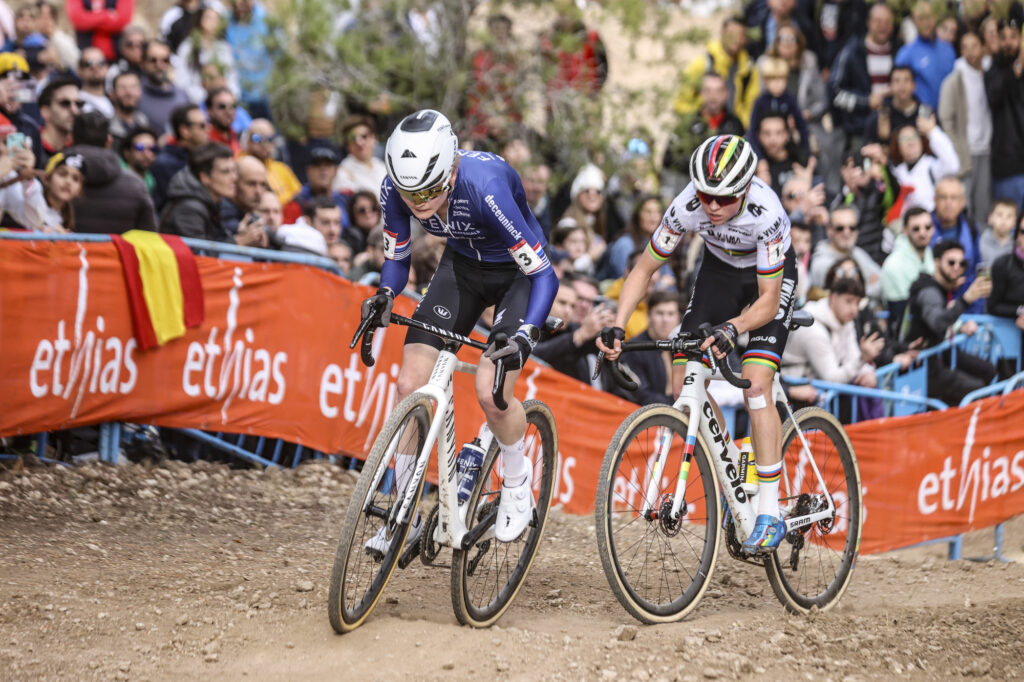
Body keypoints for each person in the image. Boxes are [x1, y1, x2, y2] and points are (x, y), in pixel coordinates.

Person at [358, 109, 558, 548]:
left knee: (491, 389)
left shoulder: (484, 189)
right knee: (409, 382)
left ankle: (516, 480)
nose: (419, 202)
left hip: (517, 277)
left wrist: (524, 338)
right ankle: (402, 508)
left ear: (451, 167)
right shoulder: (397, 185)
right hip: (462, 267)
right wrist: (386, 297)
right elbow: (397, 256)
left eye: (430, 190)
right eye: (411, 193)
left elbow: (544, 275)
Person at [598, 134, 796, 556]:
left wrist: (733, 328)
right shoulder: (688, 204)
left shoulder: (767, 213)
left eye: (723, 200)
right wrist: (617, 324)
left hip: (767, 283)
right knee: (681, 382)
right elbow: (645, 268)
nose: (711, 206)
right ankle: (731, 475)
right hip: (720, 273)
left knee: (756, 384)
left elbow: (767, 301)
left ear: (744, 190)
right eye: (705, 196)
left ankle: (769, 507)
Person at [902, 239, 996, 405]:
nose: (957, 267)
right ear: (936, 262)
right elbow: (937, 321)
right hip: (919, 366)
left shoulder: (944, 288)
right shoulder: (929, 291)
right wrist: (966, 299)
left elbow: (945, 317)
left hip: (938, 356)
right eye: (951, 262)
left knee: (988, 370)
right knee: (978, 389)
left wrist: (960, 326)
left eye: (962, 263)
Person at [782, 276, 880, 396]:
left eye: (858, 303)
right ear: (833, 298)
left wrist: (867, 371)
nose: (854, 309)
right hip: (797, 391)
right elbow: (831, 378)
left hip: (818, 389)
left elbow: (851, 357)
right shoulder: (813, 330)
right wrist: (862, 360)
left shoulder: (846, 321)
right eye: (849, 301)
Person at [68, 110, 156, 234]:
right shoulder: (136, 184)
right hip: (120, 253)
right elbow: (149, 235)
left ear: (70, 138)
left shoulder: (53, 176)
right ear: (109, 141)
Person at [829, 2, 896, 158]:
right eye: (878, 21)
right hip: (859, 131)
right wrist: (866, 102)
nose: (883, 26)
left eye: (887, 22)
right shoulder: (852, 52)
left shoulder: (898, 52)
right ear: (868, 23)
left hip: (891, 129)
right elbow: (834, 93)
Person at [938, 32, 992, 224]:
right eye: (965, 47)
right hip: (965, 152)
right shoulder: (953, 81)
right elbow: (946, 119)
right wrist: (957, 147)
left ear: (983, 47)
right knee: (964, 204)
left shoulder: (989, 73)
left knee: (984, 205)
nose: (970, 52)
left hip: (986, 149)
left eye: (974, 46)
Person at [661, 72, 745, 190]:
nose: (713, 96)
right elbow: (669, 160)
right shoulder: (687, 124)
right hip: (689, 188)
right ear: (701, 93)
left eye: (718, 91)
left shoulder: (735, 126)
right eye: (708, 91)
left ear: (727, 94)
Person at [674, 15, 759, 128]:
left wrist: (739, 126)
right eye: (731, 34)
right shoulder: (703, 64)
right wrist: (698, 122)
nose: (736, 39)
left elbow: (751, 107)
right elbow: (682, 102)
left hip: (732, 131)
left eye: (740, 35)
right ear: (722, 33)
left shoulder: (748, 69)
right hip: (703, 129)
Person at [615, 291, 683, 406]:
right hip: (645, 416)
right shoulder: (633, 349)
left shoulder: (679, 346)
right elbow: (642, 396)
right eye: (659, 313)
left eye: (671, 314)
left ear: (678, 318)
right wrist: (680, 403)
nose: (665, 320)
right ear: (649, 316)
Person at [984, 19, 1024, 210]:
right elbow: (995, 96)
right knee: (1009, 224)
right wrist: (1017, 66)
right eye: (1004, 38)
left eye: (1013, 37)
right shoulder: (994, 70)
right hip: (1008, 165)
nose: (1009, 43)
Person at [159, 141, 235, 241]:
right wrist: (239, 241)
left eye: (234, 170)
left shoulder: (212, 200)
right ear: (205, 177)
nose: (234, 177)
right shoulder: (189, 208)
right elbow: (199, 254)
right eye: (225, 172)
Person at [810, 205, 883, 304]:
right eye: (840, 228)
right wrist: (868, 285)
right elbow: (847, 296)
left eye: (852, 227)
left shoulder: (858, 252)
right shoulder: (821, 262)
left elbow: (883, 283)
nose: (847, 233)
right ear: (829, 230)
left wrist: (862, 289)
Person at [894, 0, 956, 111]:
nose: (926, 22)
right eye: (920, 18)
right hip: (921, 118)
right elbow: (898, 90)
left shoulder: (948, 49)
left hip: (949, 115)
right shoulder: (906, 54)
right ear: (913, 21)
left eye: (928, 17)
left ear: (935, 17)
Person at [931, 176, 981, 312]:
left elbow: (976, 271)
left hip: (967, 309)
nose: (948, 203)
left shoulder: (971, 229)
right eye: (943, 197)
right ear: (934, 200)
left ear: (963, 202)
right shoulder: (923, 228)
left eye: (954, 198)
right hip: (932, 308)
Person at [889, 118, 959, 214]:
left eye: (914, 136)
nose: (910, 141)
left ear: (922, 141)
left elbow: (952, 165)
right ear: (897, 146)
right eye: (904, 138)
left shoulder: (931, 166)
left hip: (930, 223)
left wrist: (933, 131)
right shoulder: (896, 173)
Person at [748, 56, 810, 160]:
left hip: (786, 146)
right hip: (763, 148)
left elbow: (801, 125)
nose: (777, 84)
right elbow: (753, 131)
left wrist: (808, 152)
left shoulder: (790, 99)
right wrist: (759, 158)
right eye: (772, 79)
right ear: (765, 81)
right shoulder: (760, 102)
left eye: (781, 79)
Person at [175, 6, 239, 105]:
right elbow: (182, 82)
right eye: (208, 17)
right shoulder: (187, 47)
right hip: (195, 103)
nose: (212, 22)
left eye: (216, 19)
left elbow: (232, 79)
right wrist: (207, 98)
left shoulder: (224, 48)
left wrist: (230, 96)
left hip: (223, 103)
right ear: (200, 19)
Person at [881, 206, 934, 321]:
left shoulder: (930, 254)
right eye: (916, 229)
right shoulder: (894, 264)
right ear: (905, 230)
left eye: (927, 227)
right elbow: (916, 306)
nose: (923, 233)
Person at [151, 104, 208, 211]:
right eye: (202, 126)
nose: (207, 129)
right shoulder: (165, 164)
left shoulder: (201, 157)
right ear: (184, 130)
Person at [137, 39, 191, 136]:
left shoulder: (183, 95)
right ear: (142, 63)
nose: (159, 65)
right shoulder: (135, 95)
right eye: (153, 60)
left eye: (165, 60)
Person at [243, 118, 299, 206]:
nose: (264, 143)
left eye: (269, 139)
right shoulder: (240, 167)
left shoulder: (282, 169)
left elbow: (298, 197)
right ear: (247, 141)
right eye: (257, 138)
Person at [863, 66, 921, 146]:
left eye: (906, 80)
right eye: (897, 81)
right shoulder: (878, 117)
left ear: (914, 85)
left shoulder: (925, 114)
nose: (902, 85)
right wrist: (882, 141)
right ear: (890, 87)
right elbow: (867, 149)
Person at [332, 114, 386, 196]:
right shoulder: (343, 173)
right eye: (353, 138)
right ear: (347, 145)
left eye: (364, 136)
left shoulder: (382, 166)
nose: (359, 142)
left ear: (374, 138)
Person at [66, 0, 133, 62]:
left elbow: (121, 22)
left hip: (117, 57)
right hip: (85, 59)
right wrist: (107, 15)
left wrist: (90, 18)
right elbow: (78, 21)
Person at [987, 216, 1024, 329]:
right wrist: (1020, 310)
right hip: (1009, 336)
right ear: (1016, 234)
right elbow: (993, 306)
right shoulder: (1002, 264)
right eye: (1023, 232)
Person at [36, 76, 80, 169]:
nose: (74, 110)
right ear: (45, 111)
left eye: (78, 104)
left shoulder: (80, 148)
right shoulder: (31, 146)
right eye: (65, 103)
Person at [107, 71, 149, 151]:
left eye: (133, 87)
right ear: (112, 94)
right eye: (122, 88)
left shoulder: (144, 122)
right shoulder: (107, 129)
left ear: (140, 91)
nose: (129, 92)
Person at [980, 199, 1019, 268]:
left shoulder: (1018, 244)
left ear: (1015, 222)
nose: (1004, 220)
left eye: (1009, 216)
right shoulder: (979, 241)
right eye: (999, 215)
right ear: (990, 219)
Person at [77, 47, 113, 119]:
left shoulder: (115, 100)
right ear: (78, 70)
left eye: (101, 63)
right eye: (88, 64)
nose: (95, 67)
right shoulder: (75, 102)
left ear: (107, 67)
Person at [119, 126, 157, 194]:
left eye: (152, 149)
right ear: (127, 152)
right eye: (140, 148)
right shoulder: (117, 176)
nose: (146, 154)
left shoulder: (150, 180)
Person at [342, 189, 379, 255]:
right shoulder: (350, 238)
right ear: (352, 213)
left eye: (374, 208)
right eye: (362, 210)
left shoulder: (387, 234)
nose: (369, 214)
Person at [205, 86, 240, 153]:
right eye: (222, 107)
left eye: (233, 106)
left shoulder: (237, 137)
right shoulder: (205, 139)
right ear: (209, 110)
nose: (229, 111)